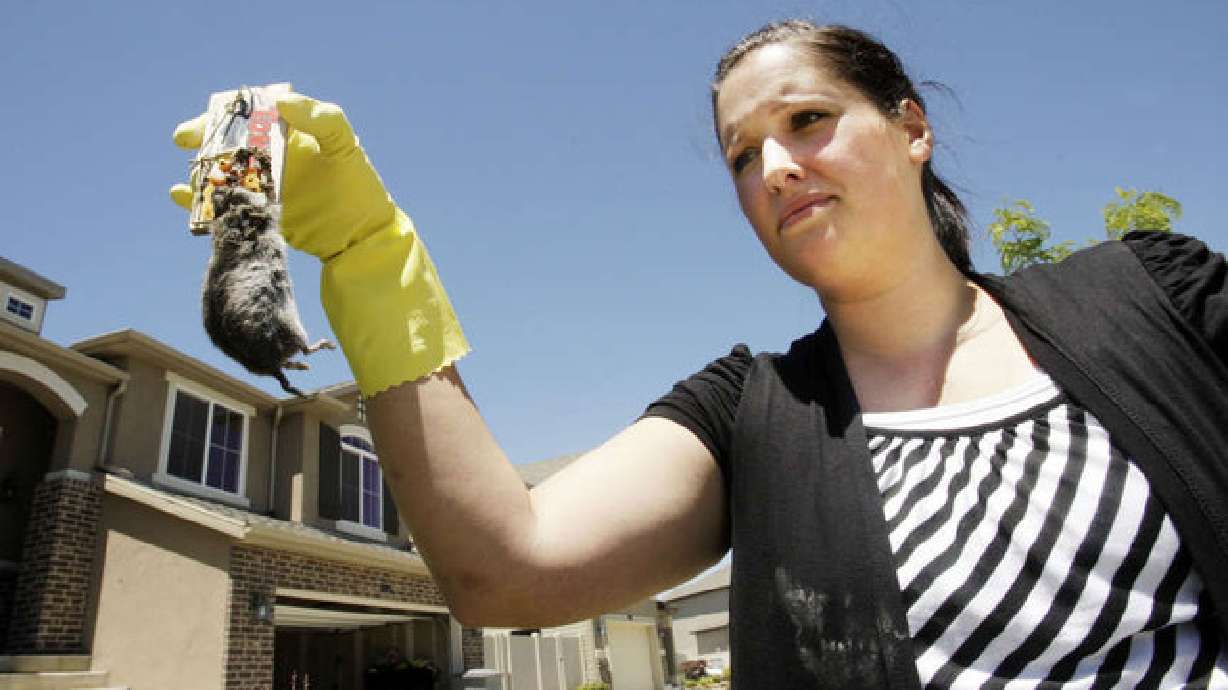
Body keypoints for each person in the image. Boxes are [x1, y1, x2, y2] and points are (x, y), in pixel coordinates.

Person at [171, 20, 1228, 688]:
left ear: (910, 128)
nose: (774, 165)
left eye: (808, 120)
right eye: (740, 155)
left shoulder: (1150, 294)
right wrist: (371, 259)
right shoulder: (748, 416)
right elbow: (503, 573)